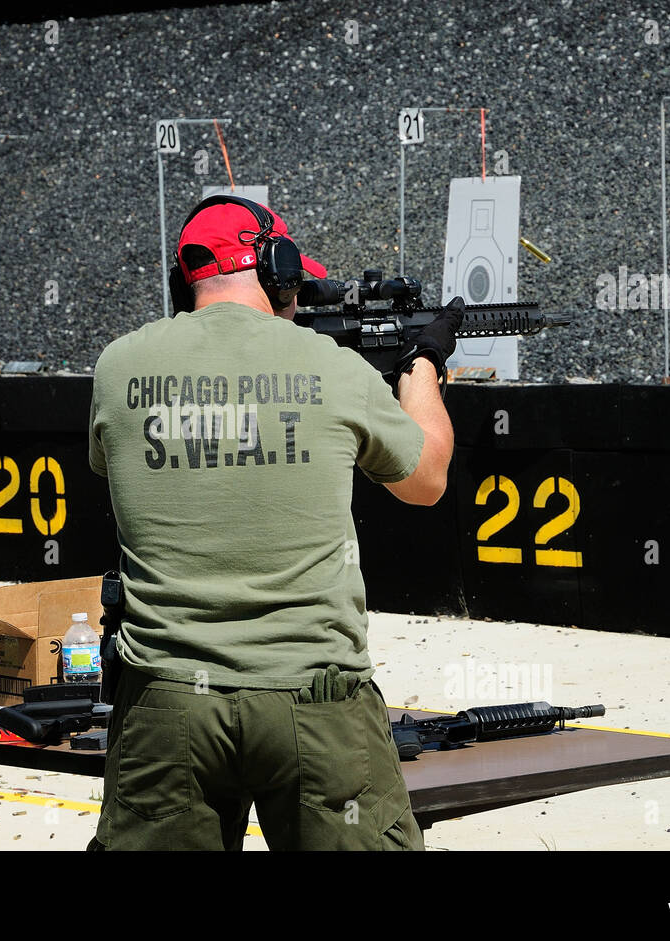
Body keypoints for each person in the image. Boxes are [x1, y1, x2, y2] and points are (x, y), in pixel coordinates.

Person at [86, 195, 462, 850]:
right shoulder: (333, 367)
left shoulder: (119, 368)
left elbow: (113, 457)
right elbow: (427, 479)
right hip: (313, 697)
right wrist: (421, 366)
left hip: (165, 701)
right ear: (278, 269)